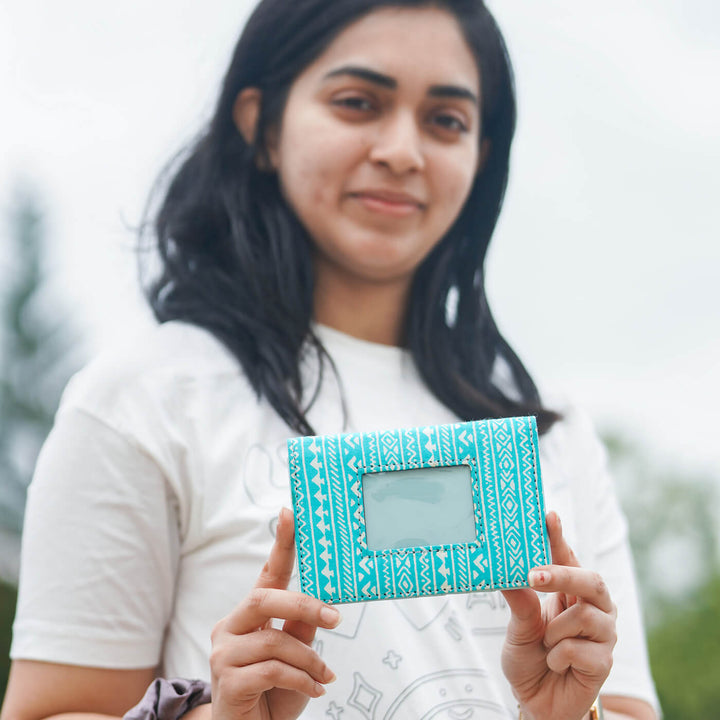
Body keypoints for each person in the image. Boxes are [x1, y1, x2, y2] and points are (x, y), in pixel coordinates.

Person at [2, 1, 660, 719]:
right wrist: (218, 715)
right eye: (358, 102)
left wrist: (567, 711)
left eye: (447, 120)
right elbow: (50, 708)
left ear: (483, 152)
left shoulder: (550, 429)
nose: (403, 150)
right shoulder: (142, 400)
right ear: (261, 124)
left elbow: (624, 706)